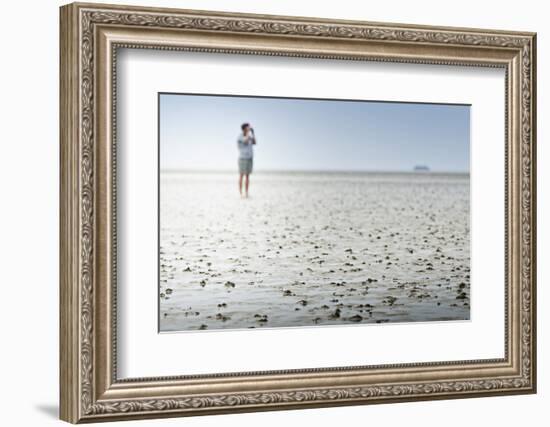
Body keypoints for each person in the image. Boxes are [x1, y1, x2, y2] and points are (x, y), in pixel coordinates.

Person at [237, 122, 256, 198]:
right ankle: (240, 193)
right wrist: (248, 134)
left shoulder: (250, 136)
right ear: (244, 128)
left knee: (248, 176)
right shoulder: (240, 137)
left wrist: (253, 134)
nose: (249, 128)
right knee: (241, 175)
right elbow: (245, 141)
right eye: (248, 127)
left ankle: (247, 193)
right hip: (242, 158)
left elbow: (254, 142)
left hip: (249, 157)